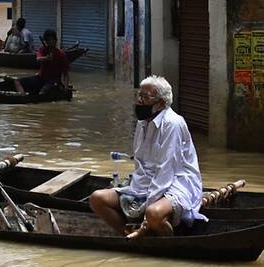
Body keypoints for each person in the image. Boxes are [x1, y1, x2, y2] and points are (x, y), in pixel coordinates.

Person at [89, 75, 208, 236]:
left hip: (176, 184)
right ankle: (127, 235)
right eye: (139, 95)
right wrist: (135, 191)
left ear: (161, 103)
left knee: (153, 214)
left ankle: (168, 244)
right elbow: (140, 163)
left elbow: (166, 169)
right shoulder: (142, 122)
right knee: (97, 199)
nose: (139, 101)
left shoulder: (173, 123)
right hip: (145, 184)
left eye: (145, 97)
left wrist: (148, 209)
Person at [13, 29, 69, 95]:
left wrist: (66, 87)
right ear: (45, 41)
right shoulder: (42, 49)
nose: (50, 42)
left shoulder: (61, 54)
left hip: (53, 81)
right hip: (41, 78)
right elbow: (38, 59)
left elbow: (66, 74)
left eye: (52, 39)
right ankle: (23, 97)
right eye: (48, 40)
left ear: (56, 40)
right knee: (17, 81)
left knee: (42, 93)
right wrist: (46, 58)